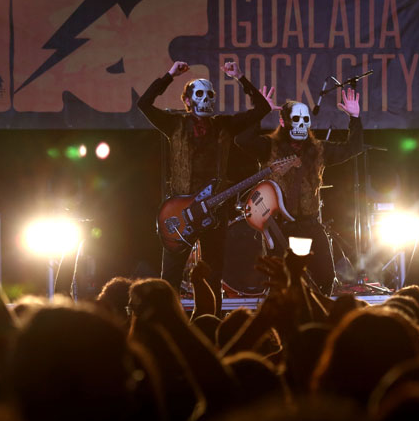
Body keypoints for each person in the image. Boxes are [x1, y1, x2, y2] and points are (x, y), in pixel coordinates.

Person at [138, 60, 271, 311]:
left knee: (212, 274)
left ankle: (210, 321)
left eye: (210, 95)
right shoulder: (174, 124)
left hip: (215, 210)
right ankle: (167, 322)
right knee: (171, 276)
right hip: (180, 210)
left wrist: (240, 77)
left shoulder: (224, 124)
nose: (206, 99)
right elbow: (143, 104)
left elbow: (262, 108)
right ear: (187, 101)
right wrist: (169, 75)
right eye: (199, 94)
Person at [234, 87, 364, 295]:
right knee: (282, 283)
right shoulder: (269, 147)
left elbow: (352, 148)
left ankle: (315, 309)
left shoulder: (319, 149)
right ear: (283, 121)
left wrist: (354, 118)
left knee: (325, 277)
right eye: (295, 119)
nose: (301, 125)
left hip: (310, 224)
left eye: (305, 120)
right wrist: (262, 110)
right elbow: (242, 140)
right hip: (280, 227)